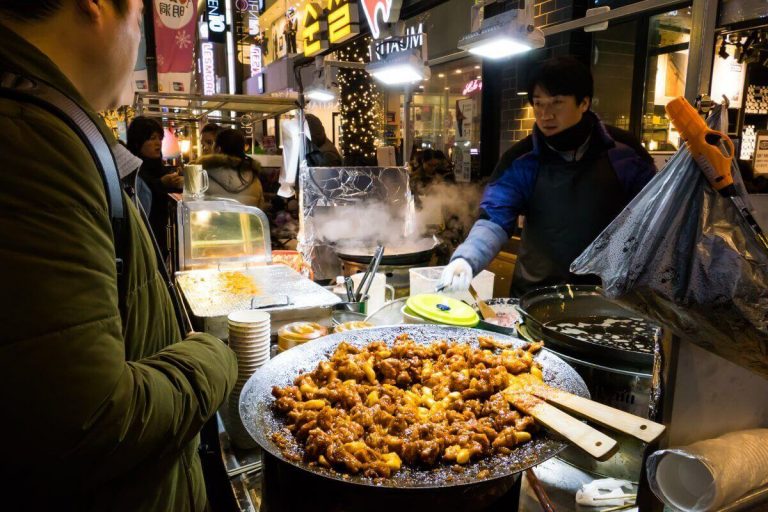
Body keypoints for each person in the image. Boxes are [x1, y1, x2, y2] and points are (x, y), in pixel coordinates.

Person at [0, 2, 237, 511]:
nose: (139, 43)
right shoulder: (28, 139)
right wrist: (215, 352)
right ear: (98, 6)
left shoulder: (49, 121)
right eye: (138, 18)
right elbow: (86, 421)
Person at [440, 57, 656, 296]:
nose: (545, 115)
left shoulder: (624, 153)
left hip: (607, 298)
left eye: (556, 103)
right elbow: (494, 218)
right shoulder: (520, 159)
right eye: (538, 104)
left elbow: (654, 216)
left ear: (584, 103)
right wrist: (467, 258)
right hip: (536, 294)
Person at [127, 116, 183, 255]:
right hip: (142, 241)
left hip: (163, 239)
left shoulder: (161, 168)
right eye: (152, 138)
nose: (158, 143)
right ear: (137, 143)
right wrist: (161, 184)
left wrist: (181, 182)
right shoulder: (130, 170)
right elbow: (137, 198)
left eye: (159, 138)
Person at [197, 128, 265, 208]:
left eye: (211, 143)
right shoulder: (254, 179)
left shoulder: (203, 175)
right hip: (245, 220)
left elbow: (194, 207)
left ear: (218, 149)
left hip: (213, 220)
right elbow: (260, 209)